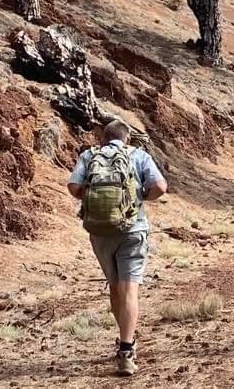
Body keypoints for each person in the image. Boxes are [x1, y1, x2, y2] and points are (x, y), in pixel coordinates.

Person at [68, 119, 168, 377]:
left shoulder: (89, 155)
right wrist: (139, 197)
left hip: (100, 232)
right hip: (133, 230)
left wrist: (97, 199)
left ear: (104, 138)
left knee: (115, 287)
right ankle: (126, 348)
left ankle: (124, 333)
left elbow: (74, 187)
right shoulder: (138, 155)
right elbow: (160, 186)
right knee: (130, 288)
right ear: (128, 138)